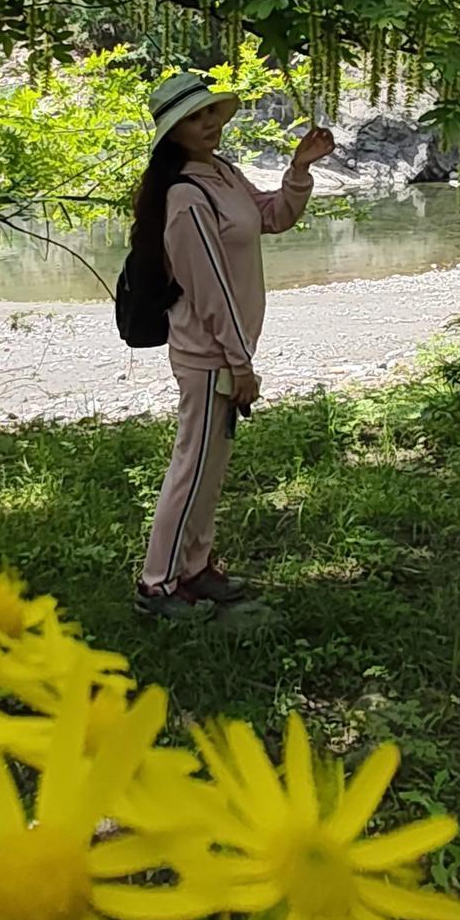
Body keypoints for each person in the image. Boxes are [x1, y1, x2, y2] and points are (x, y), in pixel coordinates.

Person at [132, 71, 335, 619]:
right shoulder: (184, 196)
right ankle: (158, 586)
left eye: (212, 115)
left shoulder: (220, 173)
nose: (210, 126)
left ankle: (195, 569)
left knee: (210, 467)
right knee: (192, 466)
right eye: (196, 120)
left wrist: (299, 170)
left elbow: (271, 217)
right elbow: (210, 289)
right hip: (208, 354)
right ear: (173, 132)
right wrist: (239, 363)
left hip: (228, 349)